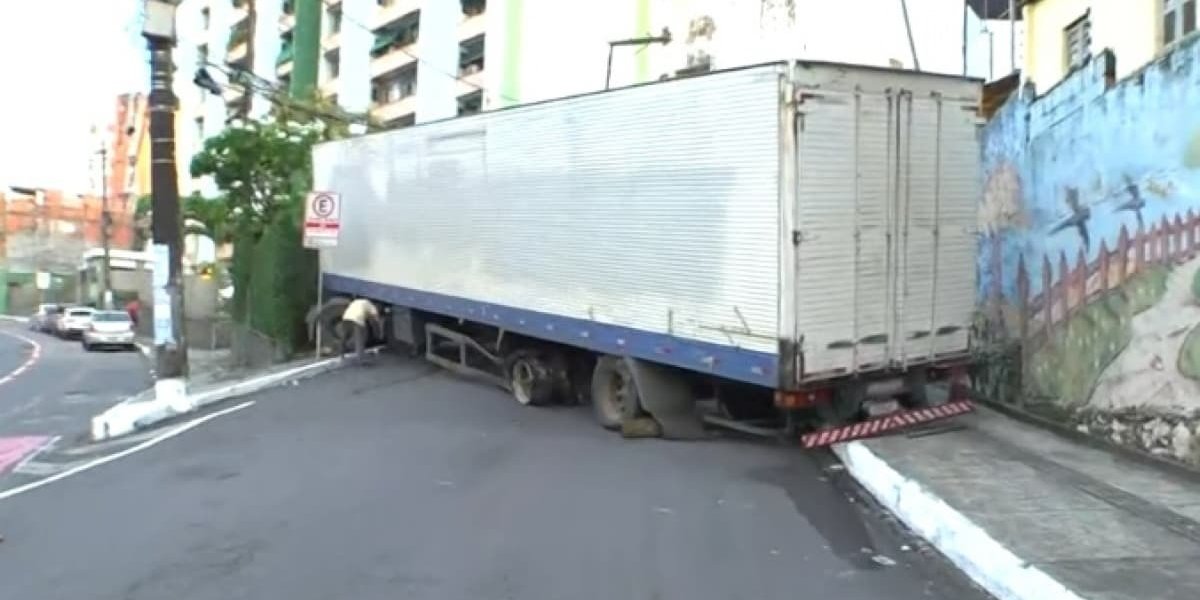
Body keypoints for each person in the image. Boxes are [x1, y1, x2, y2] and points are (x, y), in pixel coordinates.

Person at [336, 297, 380, 362]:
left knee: (344, 337)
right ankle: (361, 359)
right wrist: (377, 330)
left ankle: (341, 355)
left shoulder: (356, 302)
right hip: (357, 319)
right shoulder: (370, 305)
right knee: (359, 340)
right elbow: (375, 317)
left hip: (346, 318)